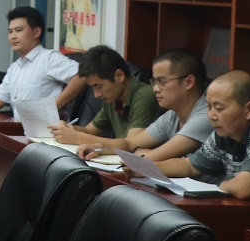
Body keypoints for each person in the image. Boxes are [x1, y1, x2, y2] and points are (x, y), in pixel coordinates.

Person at [152, 71, 250, 238]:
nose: (211, 115)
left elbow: (245, 188)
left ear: (249, 110)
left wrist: (222, 185)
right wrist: (145, 167)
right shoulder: (227, 131)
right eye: (208, 107)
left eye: (219, 108)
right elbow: (189, 165)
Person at [79, 49, 214, 162]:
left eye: (162, 81)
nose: (155, 89)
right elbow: (130, 143)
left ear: (188, 82)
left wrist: (140, 153)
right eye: (154, 81)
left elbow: (152, 158)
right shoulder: (171, 116)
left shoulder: (206, 115)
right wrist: (98, 147)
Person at [0, 6, 84, 113]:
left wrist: (54, 106)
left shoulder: (48, 58)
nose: (13, 36)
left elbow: (82, 75)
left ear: (36, 32)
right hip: (19, 130)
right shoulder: (15, 67)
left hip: (46, 132)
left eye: (19, 30)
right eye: (10, 31)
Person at [48, 45, 162, 147]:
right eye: (93, 88)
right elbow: (89, 131)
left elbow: (130, 145)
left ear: (119, 76)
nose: (96, 95)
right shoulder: (113, 99)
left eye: (99, 86)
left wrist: (76, 137)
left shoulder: (146, 96)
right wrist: (68, 129)